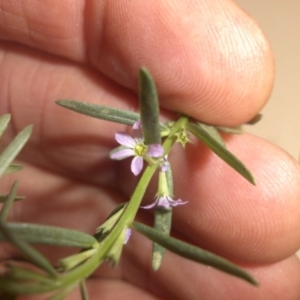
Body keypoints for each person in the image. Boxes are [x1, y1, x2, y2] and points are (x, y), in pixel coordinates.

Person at [1, 1, 300, 299]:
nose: (142, 148)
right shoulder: (147, 151)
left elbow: (147, 147)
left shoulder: (149, 148)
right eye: (141, 147)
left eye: (143, 148)